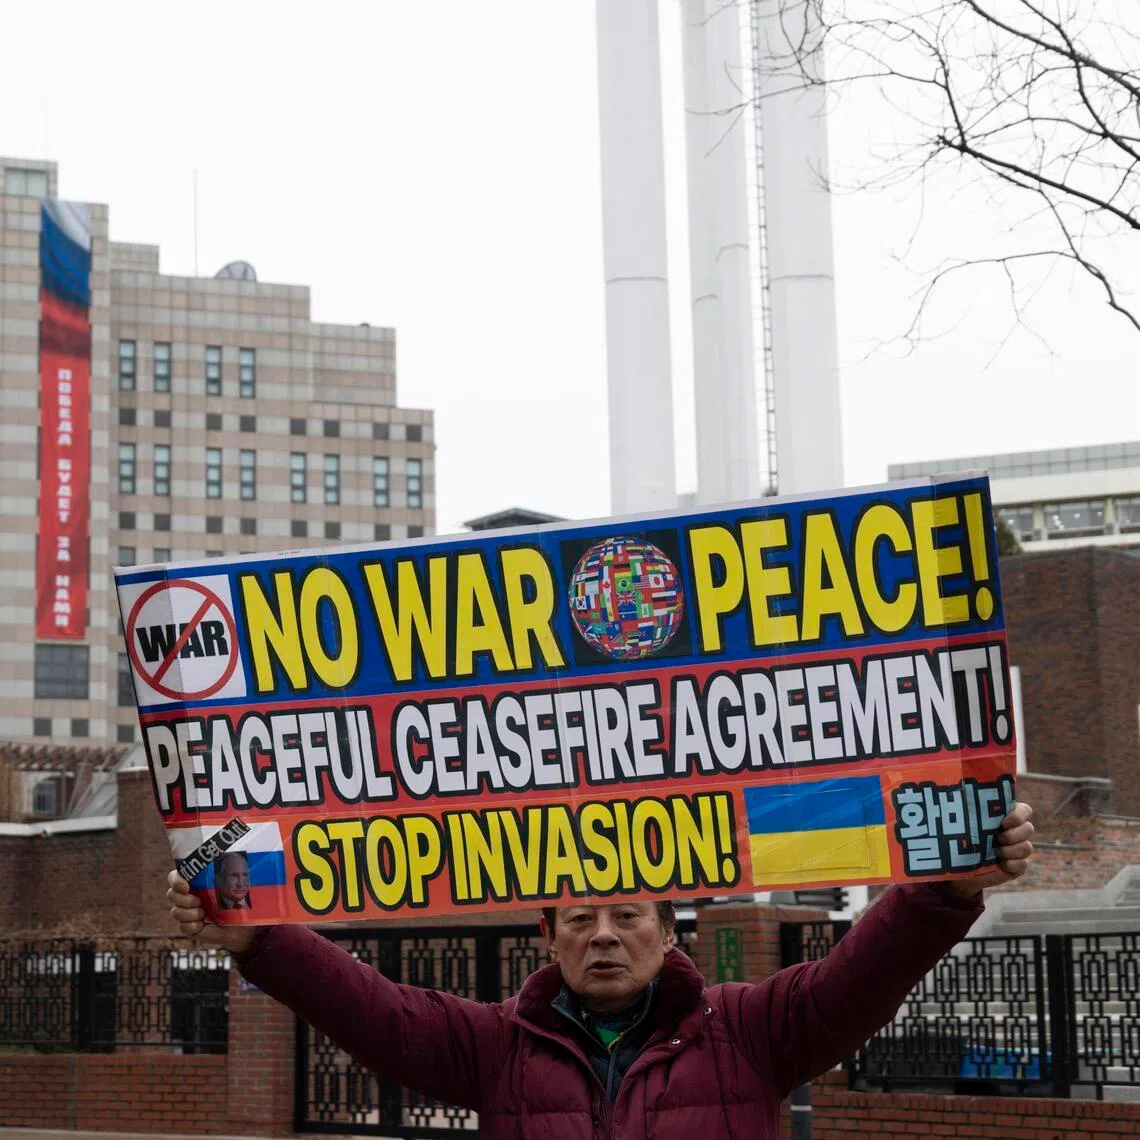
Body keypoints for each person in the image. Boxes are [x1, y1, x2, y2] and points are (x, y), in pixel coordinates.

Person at [168, 802, 1036, 1139]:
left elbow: (858, 977)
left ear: (669, 932)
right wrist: (260, 940)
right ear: (549, 940)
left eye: (628, 916)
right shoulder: (497, 1047)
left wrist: (946, 889)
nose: (605, 937)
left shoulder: (751, 1029)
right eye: (581, 921)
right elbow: (376, 1012)